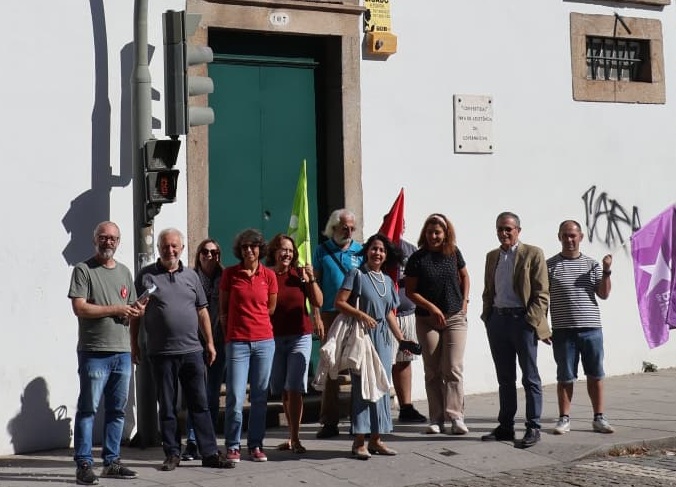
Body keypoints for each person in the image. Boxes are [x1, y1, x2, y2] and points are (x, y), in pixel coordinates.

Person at [130, 228, 234, 471]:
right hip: (161, 353)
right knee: (167, 406)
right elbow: (135, 313)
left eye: (174, 246)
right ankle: (172, 454)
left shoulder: (191, 276)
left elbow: (202, 311)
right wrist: (133, 344)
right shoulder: (146, 276)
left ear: (182, 249)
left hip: (192, 351)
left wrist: (209, 343)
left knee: (200, 404)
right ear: (158, 249)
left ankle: (209, 453)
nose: (170, 250)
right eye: (166, 246)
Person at [68, 221, 142, 485]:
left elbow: (130, 307)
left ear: (118, 242)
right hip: (94, 351)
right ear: (95, 240)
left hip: (121, 351)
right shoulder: (83, 270)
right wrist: (117, 309)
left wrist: (136, 310)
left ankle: (111, 462)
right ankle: (84, 464)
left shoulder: (124, 272)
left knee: (117, 411)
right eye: (103, 237)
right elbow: (80, 308)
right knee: (88, 409)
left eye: (113, 238)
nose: (108, 241)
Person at [481, 212, 550, 448]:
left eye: (508, 229)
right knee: (505, 377)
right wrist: (488, 316)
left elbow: (542, 293)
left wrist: (531, 321)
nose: (504, 233)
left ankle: (533, 426)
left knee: (530, 377)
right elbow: (488, 289)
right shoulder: (492, 256)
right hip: (498, 321)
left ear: (518, 230)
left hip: (522, 321)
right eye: (500, 229)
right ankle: (506, 426)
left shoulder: (533, 253)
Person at [335, 234, 407, 460]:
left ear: (386, 256)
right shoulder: (356, 274)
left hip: (383, 340)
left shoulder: (387, 280)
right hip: (363, 338)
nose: (378, 253)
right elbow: (340, 302)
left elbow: (389, 314)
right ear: (367, 251)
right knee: (363, 388)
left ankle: (376, 439)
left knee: (381, 387)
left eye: (382, 250)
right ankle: (359, 442)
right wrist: (361, 315)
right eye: (374, 248)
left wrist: (402, 339)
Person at [405, 213, 470, 435]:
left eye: (437, 232)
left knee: (452, 367)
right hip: (427, 320)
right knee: (432, 370)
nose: (433, 236)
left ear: (446, 233)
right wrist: (432, 308)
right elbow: (410, 291)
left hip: (454, 318)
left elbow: (465, 277)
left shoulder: (454, 253)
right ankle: (436, 419)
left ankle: (456, 416)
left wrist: (464, 301)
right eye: (430, 232)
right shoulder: (417, 258)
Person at [547, 220, 614, 435]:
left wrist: (606, 271)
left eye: (573, 235)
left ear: (581, 237)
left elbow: (603, 294)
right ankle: (564, 419)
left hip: (591, 329)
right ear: (559, 237)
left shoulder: (591, 264)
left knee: (595, 374)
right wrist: (542, 327)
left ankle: (599, 418)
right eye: (565, 235)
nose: (569, 239)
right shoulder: (549, 266)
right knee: (565, 377)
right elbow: (542, 298)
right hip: (563, 330)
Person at [219, 229, 278, 463]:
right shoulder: (230, 274)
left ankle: (255, 445)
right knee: (234, 397)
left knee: (260, 397)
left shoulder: (269, 275)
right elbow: (223, 309)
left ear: (260, 249)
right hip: (238, 343)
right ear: (239, 250)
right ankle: (233, 445)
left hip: (264, 342)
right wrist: (230, 335)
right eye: (244, 247)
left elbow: (270, 308)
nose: (249, 250)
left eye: (253, 246)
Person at [266, 234, 323, 454]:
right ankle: (291, 436)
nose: (287, 254)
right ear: (274, 251)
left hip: (300, 337)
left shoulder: (299, 275)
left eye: (290, 250)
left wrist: (311, 279)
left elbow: (317, 301)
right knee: (283, 389)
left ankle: (296, 438)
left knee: (295, 387)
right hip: (274, 338)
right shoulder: (267, 274)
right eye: (283, 249)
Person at [312, 209, 363, 439]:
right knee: (330, 367)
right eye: (344, 228)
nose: (349, 232)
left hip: (355, 314)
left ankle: (358, 421)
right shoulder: (322, 251)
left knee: (357, 366)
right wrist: (316, 315)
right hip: (330, 315)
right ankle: (329, 422)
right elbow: (315, 284)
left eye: (352, 228)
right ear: (333, 228)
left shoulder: (360, 251)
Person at [182, 239, 226, 461]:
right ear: (199, 255)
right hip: (194, 343)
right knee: (196, 393)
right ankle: (192, 442)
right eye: (206, 252)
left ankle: (208, 441)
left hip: (219, 341)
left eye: (214, 252)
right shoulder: (189, 277)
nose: (210, 256)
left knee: (212, 394)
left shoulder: (225, 277)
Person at [392, 234, 427, 423]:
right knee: (382, 362)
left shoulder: (411, 250)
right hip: (384, 316)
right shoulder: (377, 247)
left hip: (406, 314)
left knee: (404, 360)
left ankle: (406, 406)